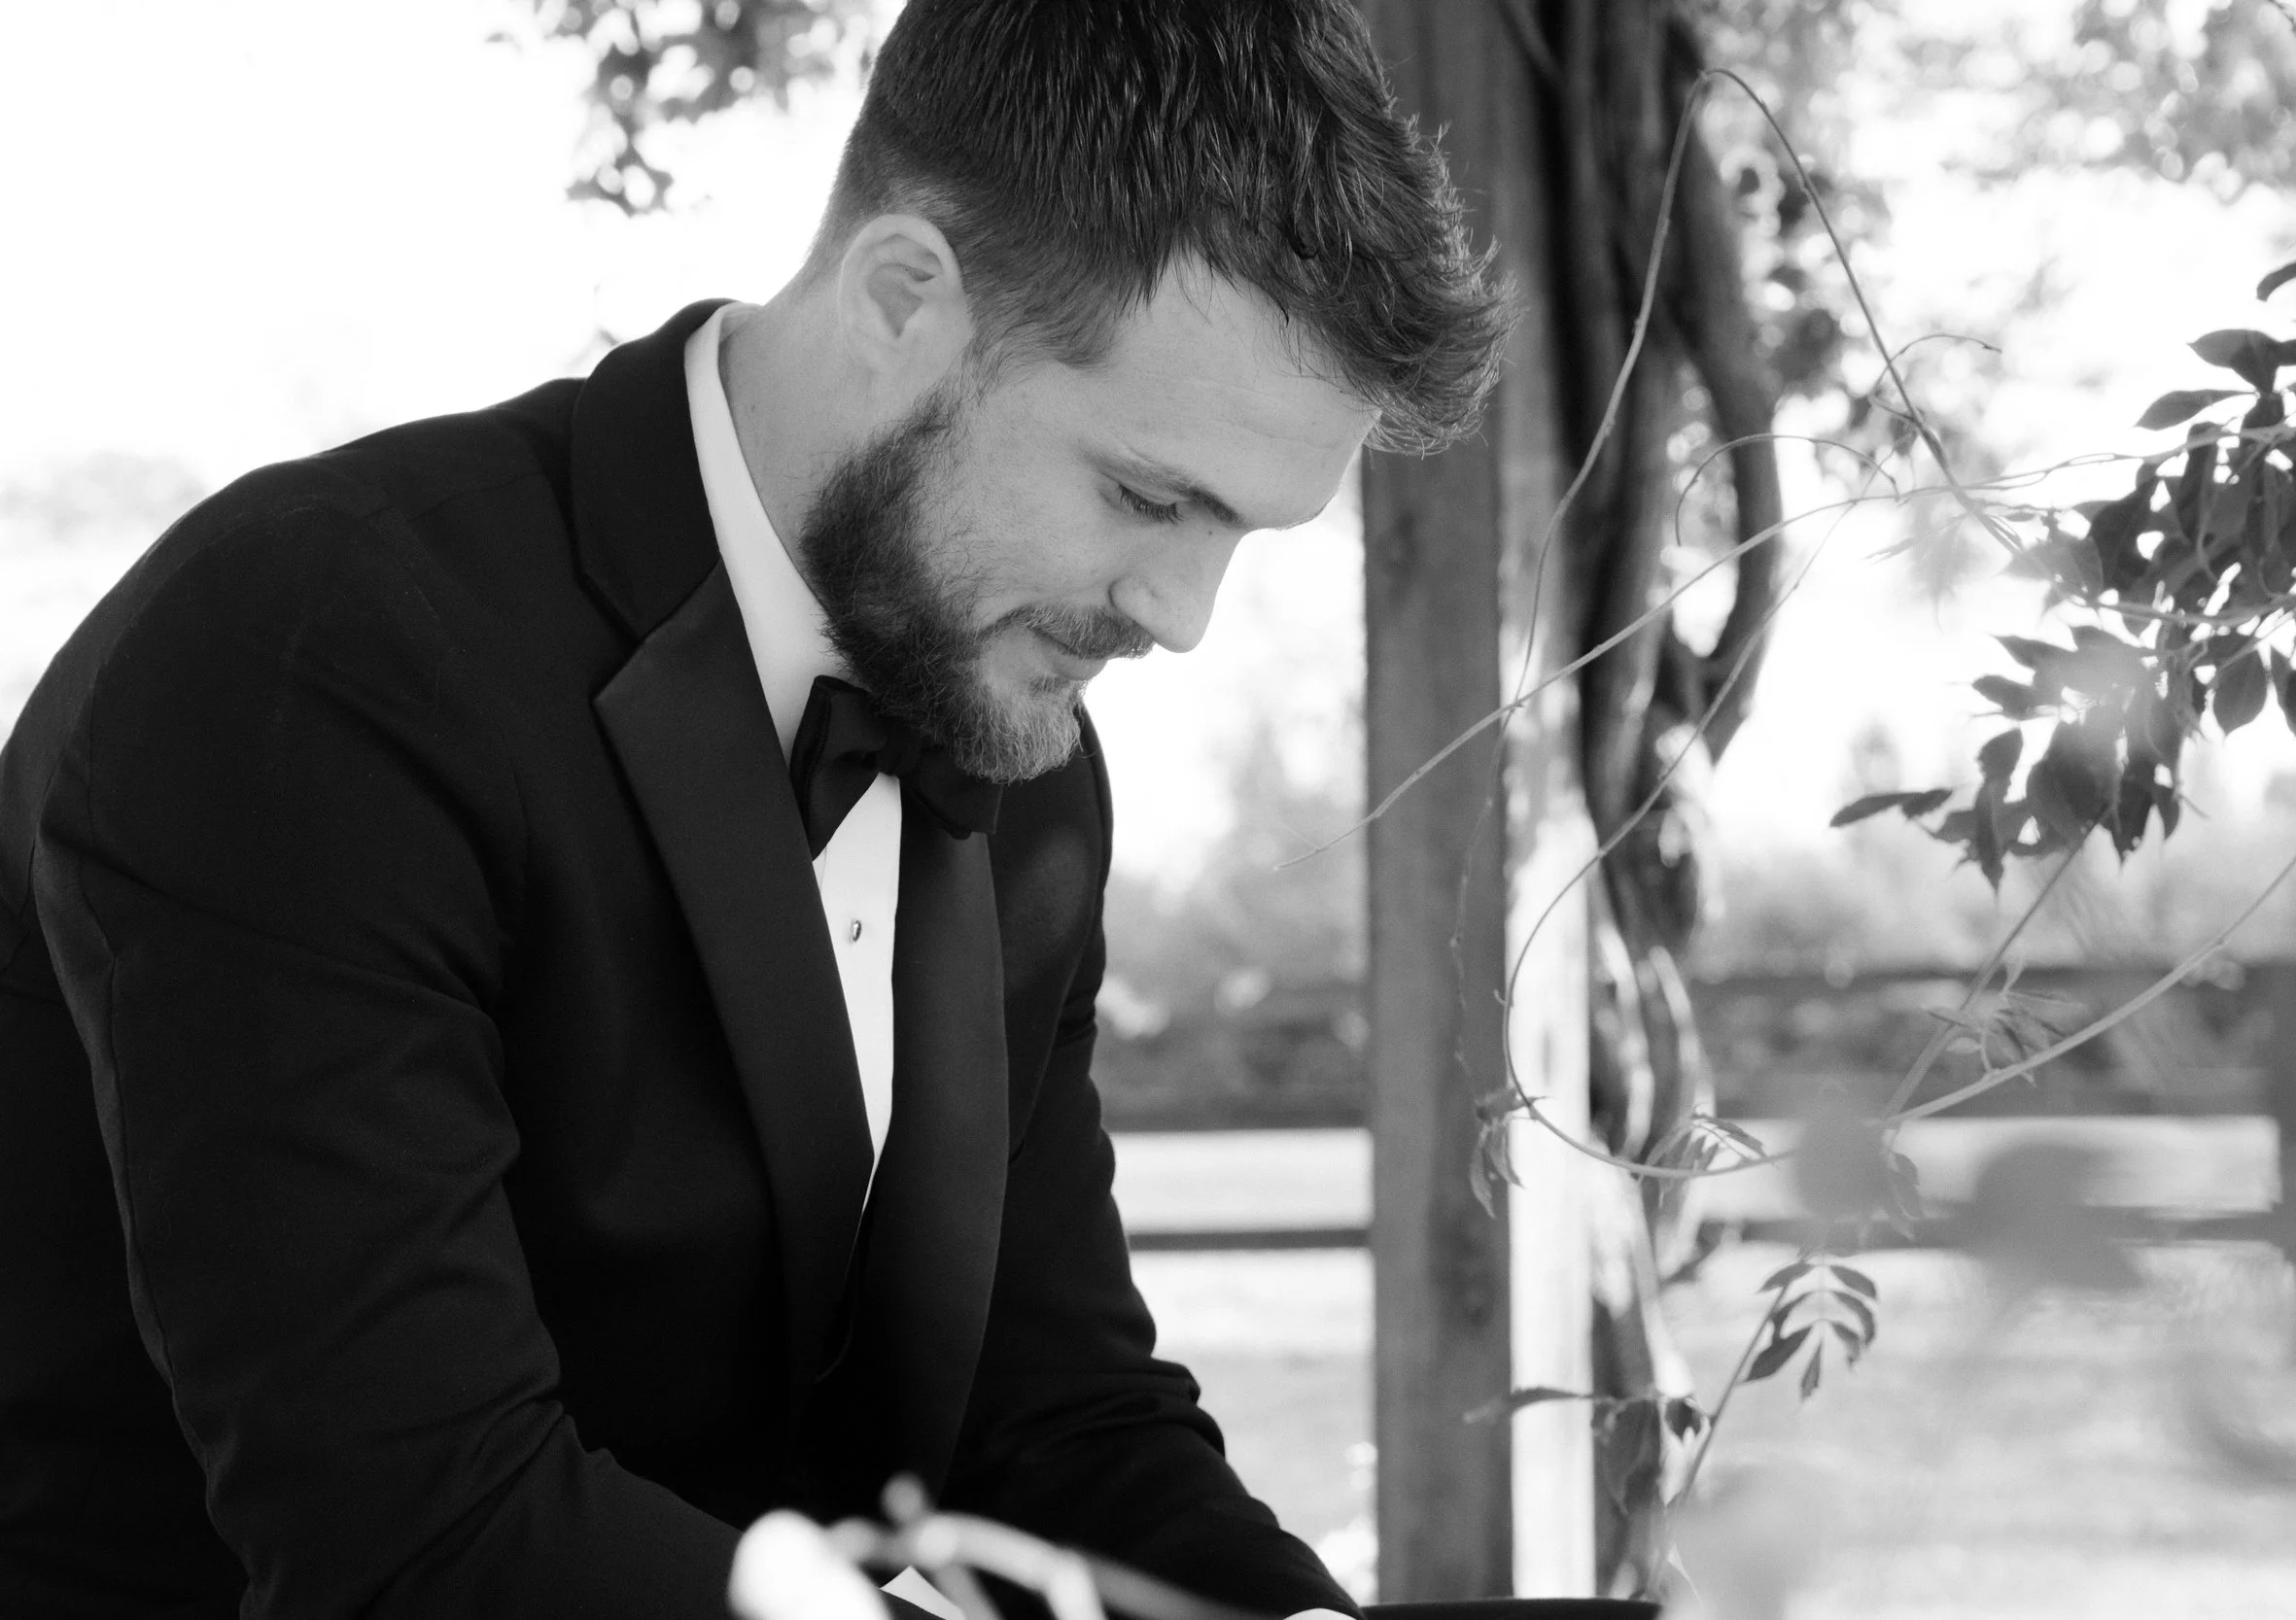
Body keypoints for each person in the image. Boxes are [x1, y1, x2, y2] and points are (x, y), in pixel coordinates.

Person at [0, 2, 1507, 1616]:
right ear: (901, 296)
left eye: (1245, 533)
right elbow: (417, 1531)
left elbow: (1054, 1415)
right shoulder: (313, 655)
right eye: (1148, 495)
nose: (1185, 613)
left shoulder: (1026, 750)